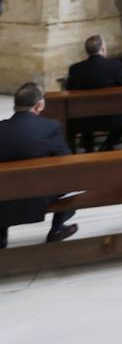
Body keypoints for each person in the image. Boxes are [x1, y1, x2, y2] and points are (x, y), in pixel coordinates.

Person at [0, 81, 78, 248]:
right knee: (67, 180)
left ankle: (1, 236)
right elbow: (65, 160)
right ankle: (56, 229)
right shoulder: (50, 127)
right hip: (39, 196)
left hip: (4, 198)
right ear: (39, 105)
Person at [65, 34, 122, 153]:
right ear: (103, 49)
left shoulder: (75, 68)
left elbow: (69, 89)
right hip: (109, 118)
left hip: (83, 119)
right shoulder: (115, 65)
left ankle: (88, 147)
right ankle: (108, 145)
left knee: (83, 110)